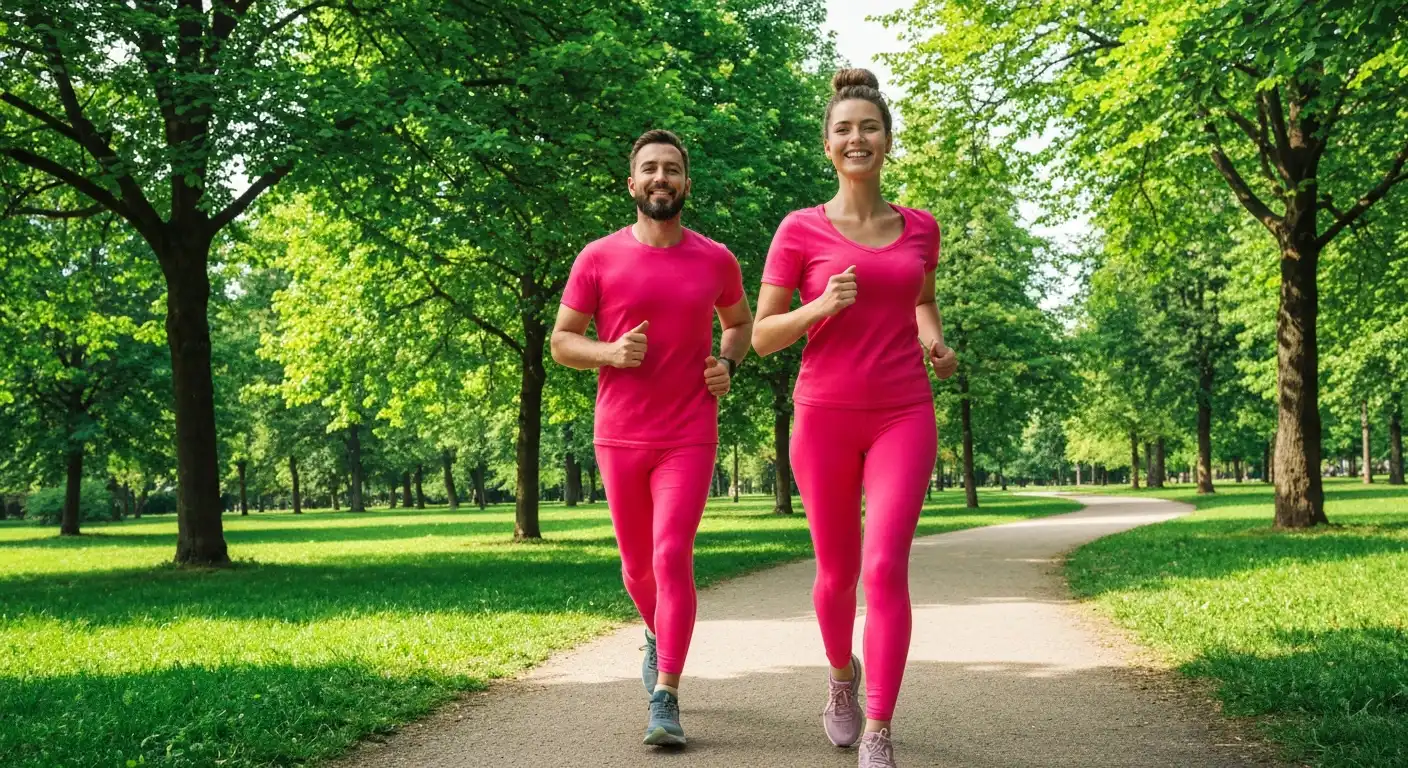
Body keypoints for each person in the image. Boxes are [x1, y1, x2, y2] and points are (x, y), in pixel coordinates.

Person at [751, 68, 959, 768]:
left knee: (885, 566)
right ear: (828, 145)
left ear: (889, 140)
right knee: (837, 572)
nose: (857, 138)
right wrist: (819, 308)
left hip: (903, 410)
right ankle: (842, 677)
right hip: (825, 415)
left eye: (869, 127)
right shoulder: (799, 230)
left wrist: (933, 339)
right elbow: (762, 335)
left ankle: (879, 728)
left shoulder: (921, 228)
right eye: (844, 129)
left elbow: (922, 295)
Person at [549, 129, 753, 747]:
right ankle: (658, 632)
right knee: (637, 567)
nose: (661, 178)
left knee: (671, 556)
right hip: (619, 434)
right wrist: (609, 351)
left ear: (686, 183)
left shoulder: (716, 258)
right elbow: (562, 341)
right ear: (632, 184)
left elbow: (740, 322)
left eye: (672, 169)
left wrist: (729, 364)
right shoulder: (598, 257)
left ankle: (666, 694)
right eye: (650, 170)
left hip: (688, 431)